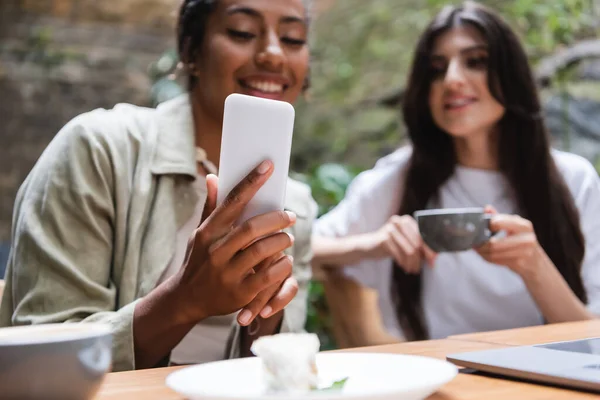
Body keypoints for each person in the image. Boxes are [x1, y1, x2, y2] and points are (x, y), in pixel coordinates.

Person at [0, 0, 317, 371]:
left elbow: (278, 375)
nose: (273, 54)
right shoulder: (98, 150)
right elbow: (44, 358)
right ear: (191, 49)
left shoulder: (295, 207)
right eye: (242, 32)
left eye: (293, 38)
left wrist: (263, 311)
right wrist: (186, 299)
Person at [312, 1, 600, 346]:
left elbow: (591, 340)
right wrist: (373, 244)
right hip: (440, 384)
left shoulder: (573, 180)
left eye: (475, 62)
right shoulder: (399, 177)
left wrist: (534, 266)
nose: (451, 80)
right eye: (436, 69)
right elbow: (305, 246)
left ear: (511, 76)